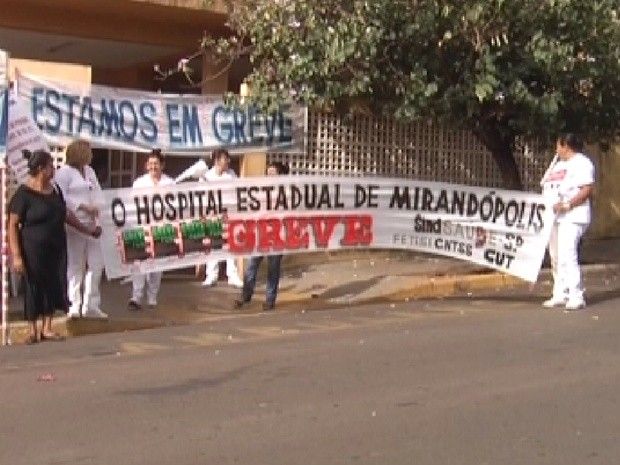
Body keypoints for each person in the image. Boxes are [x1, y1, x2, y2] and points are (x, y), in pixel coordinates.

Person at [8, 150, 102, 344]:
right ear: (41, 169)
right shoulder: (24, 194)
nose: (54, 169)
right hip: (32, 248)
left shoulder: (55, 190)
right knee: (33, 287)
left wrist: (87, 230)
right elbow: (12, 224)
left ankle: (47, 327)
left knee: (53, 284)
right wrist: (16, 255)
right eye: (51, 166)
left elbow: (66, 214)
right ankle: (32, 329)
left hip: (56, 247)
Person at [540, 133, 595, 310]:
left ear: (566, 146)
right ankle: (559, 293)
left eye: (558, 145)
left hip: (573, 216)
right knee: (556, 256)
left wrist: (568, 204)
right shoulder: (558, 165)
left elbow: (587, 189)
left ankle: (576, 294)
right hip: (554, 217)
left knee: (567, 254)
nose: (556, 149)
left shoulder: (582, 163)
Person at [54, 139, 107, 319]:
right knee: (76, 264)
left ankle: (91, 304)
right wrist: (83, 206)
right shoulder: (64, 173)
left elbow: (98, 192)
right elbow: (61, 197)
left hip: (93, 222)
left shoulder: (89, 171)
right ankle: (74, 303)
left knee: (96, 264)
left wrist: (97, 208)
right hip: (75, 223)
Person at [234, 161, 289, 311]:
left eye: (273, 172)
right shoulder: (260, 190)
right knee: (252, 265)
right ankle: (245, 296)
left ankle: (270, 300)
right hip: (260, 234)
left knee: (273, 269)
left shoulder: (287, 193)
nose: (269, 175)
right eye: (268, 172)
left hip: (277, 236)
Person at [128, 149, 175, 310]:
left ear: (162, 165)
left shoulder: (170, 183)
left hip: (162, 228)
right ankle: (136, 297)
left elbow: (175, 205)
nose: (153, 167)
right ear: (147, 165)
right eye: (151, 164)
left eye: (156, 164)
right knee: (139, 263)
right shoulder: (139, 183)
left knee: (157, 265)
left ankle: (152, 296)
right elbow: (133, 204)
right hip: (142, 227)